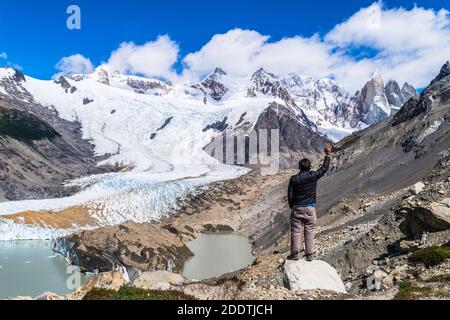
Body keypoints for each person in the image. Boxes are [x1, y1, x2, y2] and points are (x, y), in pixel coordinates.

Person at [287, 143, 333, 261]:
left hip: (297, 208)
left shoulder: (294, 179)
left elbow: (290, 195)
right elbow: (324, 169)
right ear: (309, 167)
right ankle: (309, 255)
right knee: (310, 230)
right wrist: (328, 155)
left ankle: (294, 254)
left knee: (296, 231)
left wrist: (293, 206)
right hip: (310, 208)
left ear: (299, 167)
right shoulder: (313, 176)